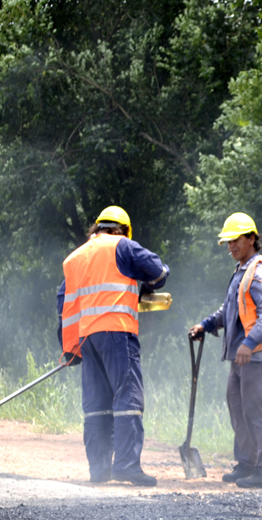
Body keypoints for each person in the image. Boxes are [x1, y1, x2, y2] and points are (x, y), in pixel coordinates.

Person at [58, 206, 169, 487]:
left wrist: (70, 347)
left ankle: (99, 470)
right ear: (122, 230)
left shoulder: (75, 257)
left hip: (87, 337)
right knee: (127, 397)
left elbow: (64, 304)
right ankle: (127, 466)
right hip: (117, 330)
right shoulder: (123, 246)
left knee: (97, 404)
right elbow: (157, 271)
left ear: (97, 228)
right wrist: (146, 284)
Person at [188, 212, 262, 489]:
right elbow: (230, 310)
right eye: (228, 242)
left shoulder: (261, 272)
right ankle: (247, 464)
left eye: (236, 240)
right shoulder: (243, 270)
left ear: (252, 239)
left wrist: (248, 343)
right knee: (239, 409)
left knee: (259, 413)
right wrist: (206, 324)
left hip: (256, 354)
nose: (231, 246)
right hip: (242, 356)